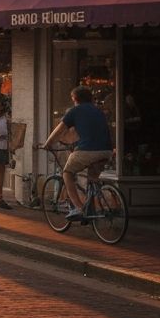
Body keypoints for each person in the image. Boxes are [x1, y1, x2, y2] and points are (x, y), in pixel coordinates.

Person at [43, 85, 114, 219]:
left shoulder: (75, 111)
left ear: (75, 98)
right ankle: (91, 209)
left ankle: (78, 208)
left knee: (67, 173)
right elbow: (81, 133)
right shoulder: (98, 111)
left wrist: (47, 144)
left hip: (88, 150)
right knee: (92, 179)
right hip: (106, 150)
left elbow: (59, 130)